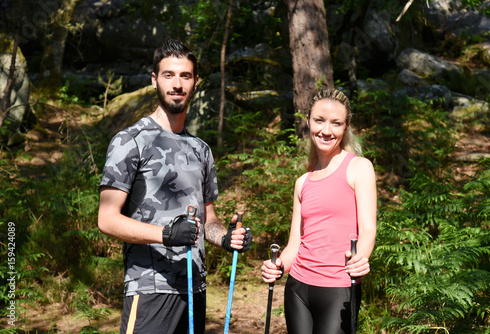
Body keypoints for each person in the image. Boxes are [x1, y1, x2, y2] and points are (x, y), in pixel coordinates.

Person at [98, 38, 252, 334]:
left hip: (194, 288)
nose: (177, 84)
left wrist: (226, 238)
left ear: (196, 82)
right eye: (168, 75)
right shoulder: (130, 141)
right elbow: (107, 219)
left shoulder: (201, 150)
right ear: (155, 80)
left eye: (185, 76)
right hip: (149, 289)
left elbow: (209, 220)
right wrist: (166, 234)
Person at [261, 88, 377, 334]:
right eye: (319, 121)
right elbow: (295, 244)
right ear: (308, 122)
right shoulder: (303, 182)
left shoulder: (359, 168)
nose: (326, 131)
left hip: (339, 287)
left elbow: (368, 229)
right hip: (298, 289)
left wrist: (361, 259)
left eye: (336, 123)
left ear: (346, 127)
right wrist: (278, 266)